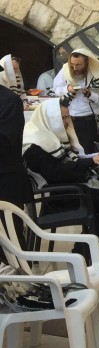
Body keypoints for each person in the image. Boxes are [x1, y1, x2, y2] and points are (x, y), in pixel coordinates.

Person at [21, 99, 99, 243]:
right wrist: (90, 162)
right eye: (62, 118)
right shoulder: (34, 145)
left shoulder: (50, 138)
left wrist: (92, 160)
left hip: (70, 190)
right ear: (49, 119)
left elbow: (70, 163)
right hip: (59, 197)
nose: (67, 122)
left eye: (68, 117)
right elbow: (57, 173)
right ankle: (86, 250)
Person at [52, 49, 99, 154]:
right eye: (72, 64)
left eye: (79, 65)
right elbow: (56, 90)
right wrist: (68, 89)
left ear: (87, 63)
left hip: (89, 119)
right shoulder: (66, 70)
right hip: (70, 119)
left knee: (90, 152)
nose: (75, 68)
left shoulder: (98, 74)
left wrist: (91, 95)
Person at [0, 82, 33, 245]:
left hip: (5, 180)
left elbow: (6, 141)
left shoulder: (8, 100)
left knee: (11, 238)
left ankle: (19, 270)